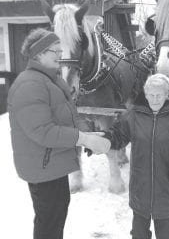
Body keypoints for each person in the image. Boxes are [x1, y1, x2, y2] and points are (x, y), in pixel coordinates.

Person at [7, 28, 109, 239]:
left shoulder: (50, 79)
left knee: (54, 217)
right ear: (38, 54)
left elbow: (63, 117)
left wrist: (89, 133)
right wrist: (83, 138)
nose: (60, 54)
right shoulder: (30, 84)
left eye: (60, 49)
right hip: (44, 168)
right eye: (54, 50)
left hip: (51, 165)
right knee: (49, 224)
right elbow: (43, 131)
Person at [95, 73, 169, 239]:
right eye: (151, 95)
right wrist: (102, 141)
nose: (155, 99)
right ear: (145, 95)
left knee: (167, 234)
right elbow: (118, 135)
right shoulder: (134, 114)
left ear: (168, 95)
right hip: (141, 188)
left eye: (159, 95)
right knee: (139, 234)